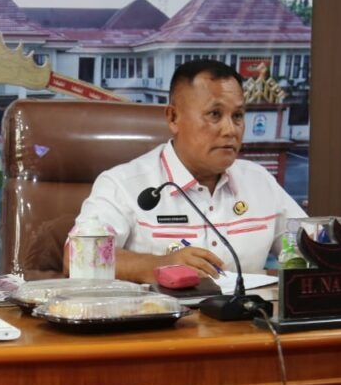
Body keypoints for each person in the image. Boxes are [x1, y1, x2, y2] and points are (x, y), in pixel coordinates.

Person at [72, 59, 306, 283]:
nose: (230, 130)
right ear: (173, 118)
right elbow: (78, 257)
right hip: (161, 311)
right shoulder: (123, 184)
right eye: (214, 114)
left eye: (237, 116)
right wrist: (160, 265)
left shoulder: (259, 182)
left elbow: (308, 248)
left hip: (247, 311)